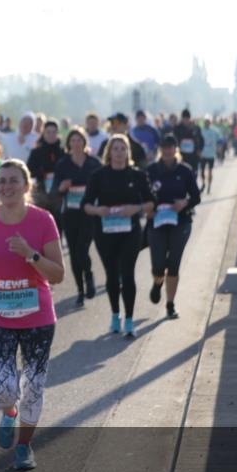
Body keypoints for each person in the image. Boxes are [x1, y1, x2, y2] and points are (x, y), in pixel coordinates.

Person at [0, 159, 64, 470]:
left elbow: (58, 274)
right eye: (2, 181)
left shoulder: (43, 220)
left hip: (38, 318)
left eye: (13, 180)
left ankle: (24, 447)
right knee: (3, 388)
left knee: (33, 387)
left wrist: (30, 254)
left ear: (26, 186)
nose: (7, 186)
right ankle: (9, 412)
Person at [81, 134, 155, 338]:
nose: (119, 153)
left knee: (128, 273)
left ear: (128, 152)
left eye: (123, 149)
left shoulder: (137, 175)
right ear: (109, 152)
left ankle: (129, 321)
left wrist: (135, 208)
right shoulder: (98, 175)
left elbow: (151, 202)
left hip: (130, 232)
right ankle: (115, 316)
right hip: (105, 233)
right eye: (115, 149)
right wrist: (98, 210)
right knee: (112, 276)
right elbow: (86, 204)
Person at [147, 134, 201, 320]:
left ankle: (170, 305)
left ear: (175, 149)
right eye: (164, 147)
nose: (167, 151)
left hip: (180, 221)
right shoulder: (152, 170)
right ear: (160, 149)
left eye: (171, 147)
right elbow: (143, 195)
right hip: (157, 222)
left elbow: (196, 197)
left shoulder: (185, 170)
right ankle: (157, 283)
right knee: (158, 265)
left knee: (174, 264)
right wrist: (148, 209)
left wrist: (184, 203)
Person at [50, 127, 102, 306]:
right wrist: (61, 187)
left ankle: (89, 276)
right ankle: (80, 290)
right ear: (68, 144)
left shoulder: (94, 163)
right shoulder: (63, 164)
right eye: (73, 140)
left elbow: (104, 184)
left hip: (89, 212)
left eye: (79, 140)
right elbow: (54, 190)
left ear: (84, 142)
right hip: (70, 213)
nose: (76, 143)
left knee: (82, 249)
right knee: (73, 253)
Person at [26, 118, 65, 213]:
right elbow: (29, 171)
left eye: (54, 132)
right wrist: (41, 173)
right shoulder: (36, 152)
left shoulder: (63, 152)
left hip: (58, 193)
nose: (51, 135)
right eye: (48, 132)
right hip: (41, 193)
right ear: (43, 133)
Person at [173, 109, 203, 176]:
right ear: (182, 118)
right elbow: (174, 141)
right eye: (184, 118)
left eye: (187, 118)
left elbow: (201, 140)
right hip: (181, 155)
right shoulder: (177, 128)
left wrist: (200, 150)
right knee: (182, 174)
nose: (186, 120)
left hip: (193, 155)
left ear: (189, 118)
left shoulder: (196, 128)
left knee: (193, 173)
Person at [199, 117, 221, 192]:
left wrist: (219, 148)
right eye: (206, 122)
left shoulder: (215, 131)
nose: (207, 123)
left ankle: (209, 186)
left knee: (210, 171)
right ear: (204, 123)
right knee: (202, 171)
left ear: (210, 123)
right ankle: (203, 183)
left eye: (208, 122)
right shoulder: (201, 131)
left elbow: (220, 140)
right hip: (203, 154)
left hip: (211, 154)